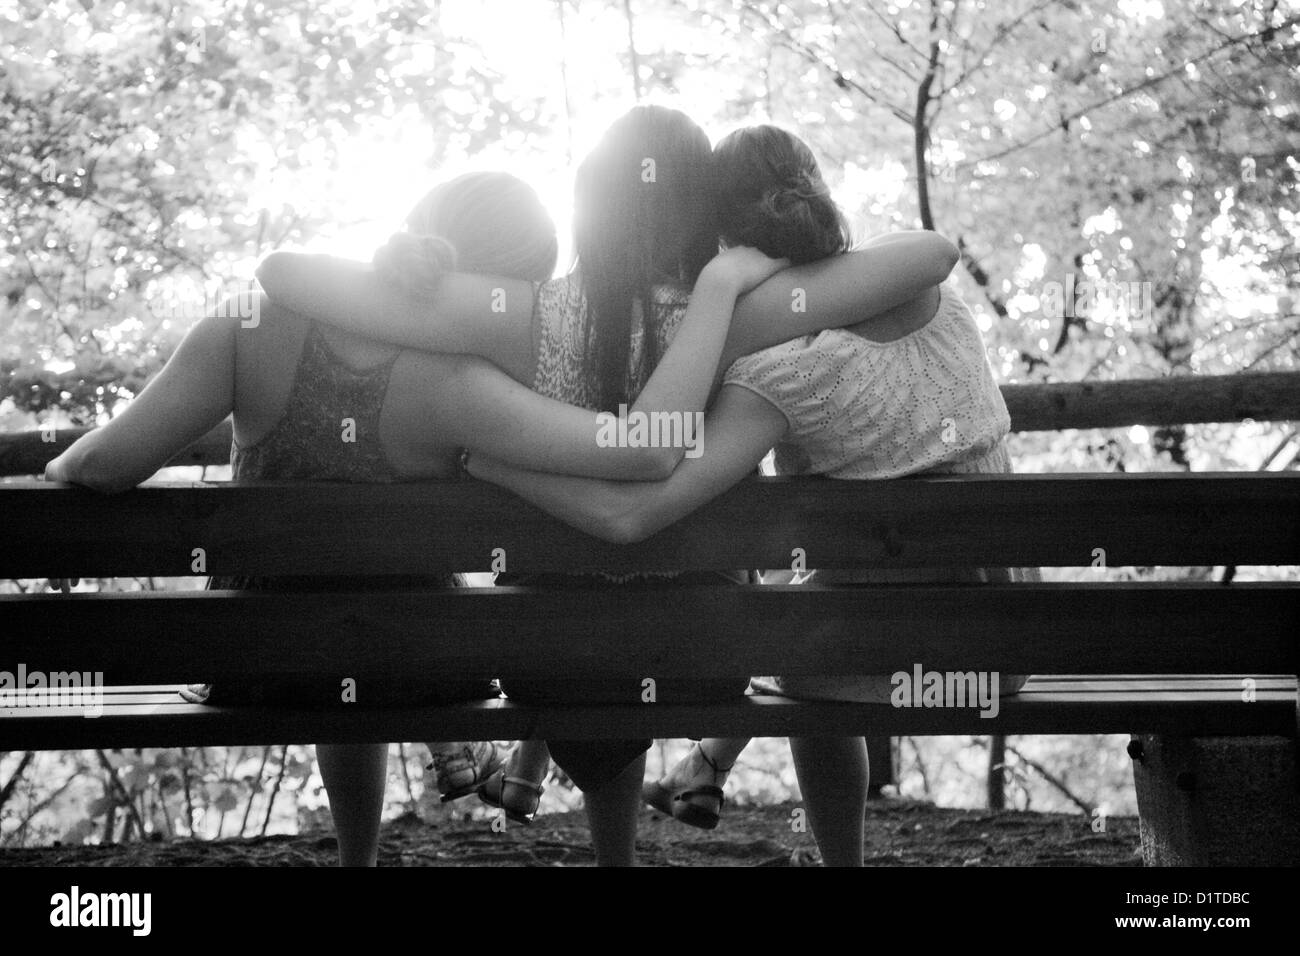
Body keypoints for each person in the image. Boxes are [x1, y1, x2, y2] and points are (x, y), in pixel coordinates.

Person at [255, 106, 962, 864]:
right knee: (643, 617)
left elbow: (281, 275)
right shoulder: (742, 313)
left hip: (552, 656)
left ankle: (614, 860)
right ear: (705, 209)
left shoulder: (515, 316)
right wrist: (736, 273)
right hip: (706, 655)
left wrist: (401, 265)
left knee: (589, 618)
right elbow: (932, 255)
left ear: (587, 201)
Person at [43, 167, 786, 864]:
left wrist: (62, 465)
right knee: (366, 630)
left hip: (257, 663)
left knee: (331, 632)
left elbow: (105, 466)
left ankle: (357, 861)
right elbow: (626, 450)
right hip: (419, 666)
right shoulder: (464, 382)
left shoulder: (247, 326)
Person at [463, 124, 1035, 866]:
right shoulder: (933, 293)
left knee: (799, 646)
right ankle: (709, 765)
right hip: (1008, 641)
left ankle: (822, 847)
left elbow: (633, 516)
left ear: (723, 236)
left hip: (866, 661)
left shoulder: (774, 374)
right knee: (795, 603)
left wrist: (494, 464)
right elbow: (935, 248)